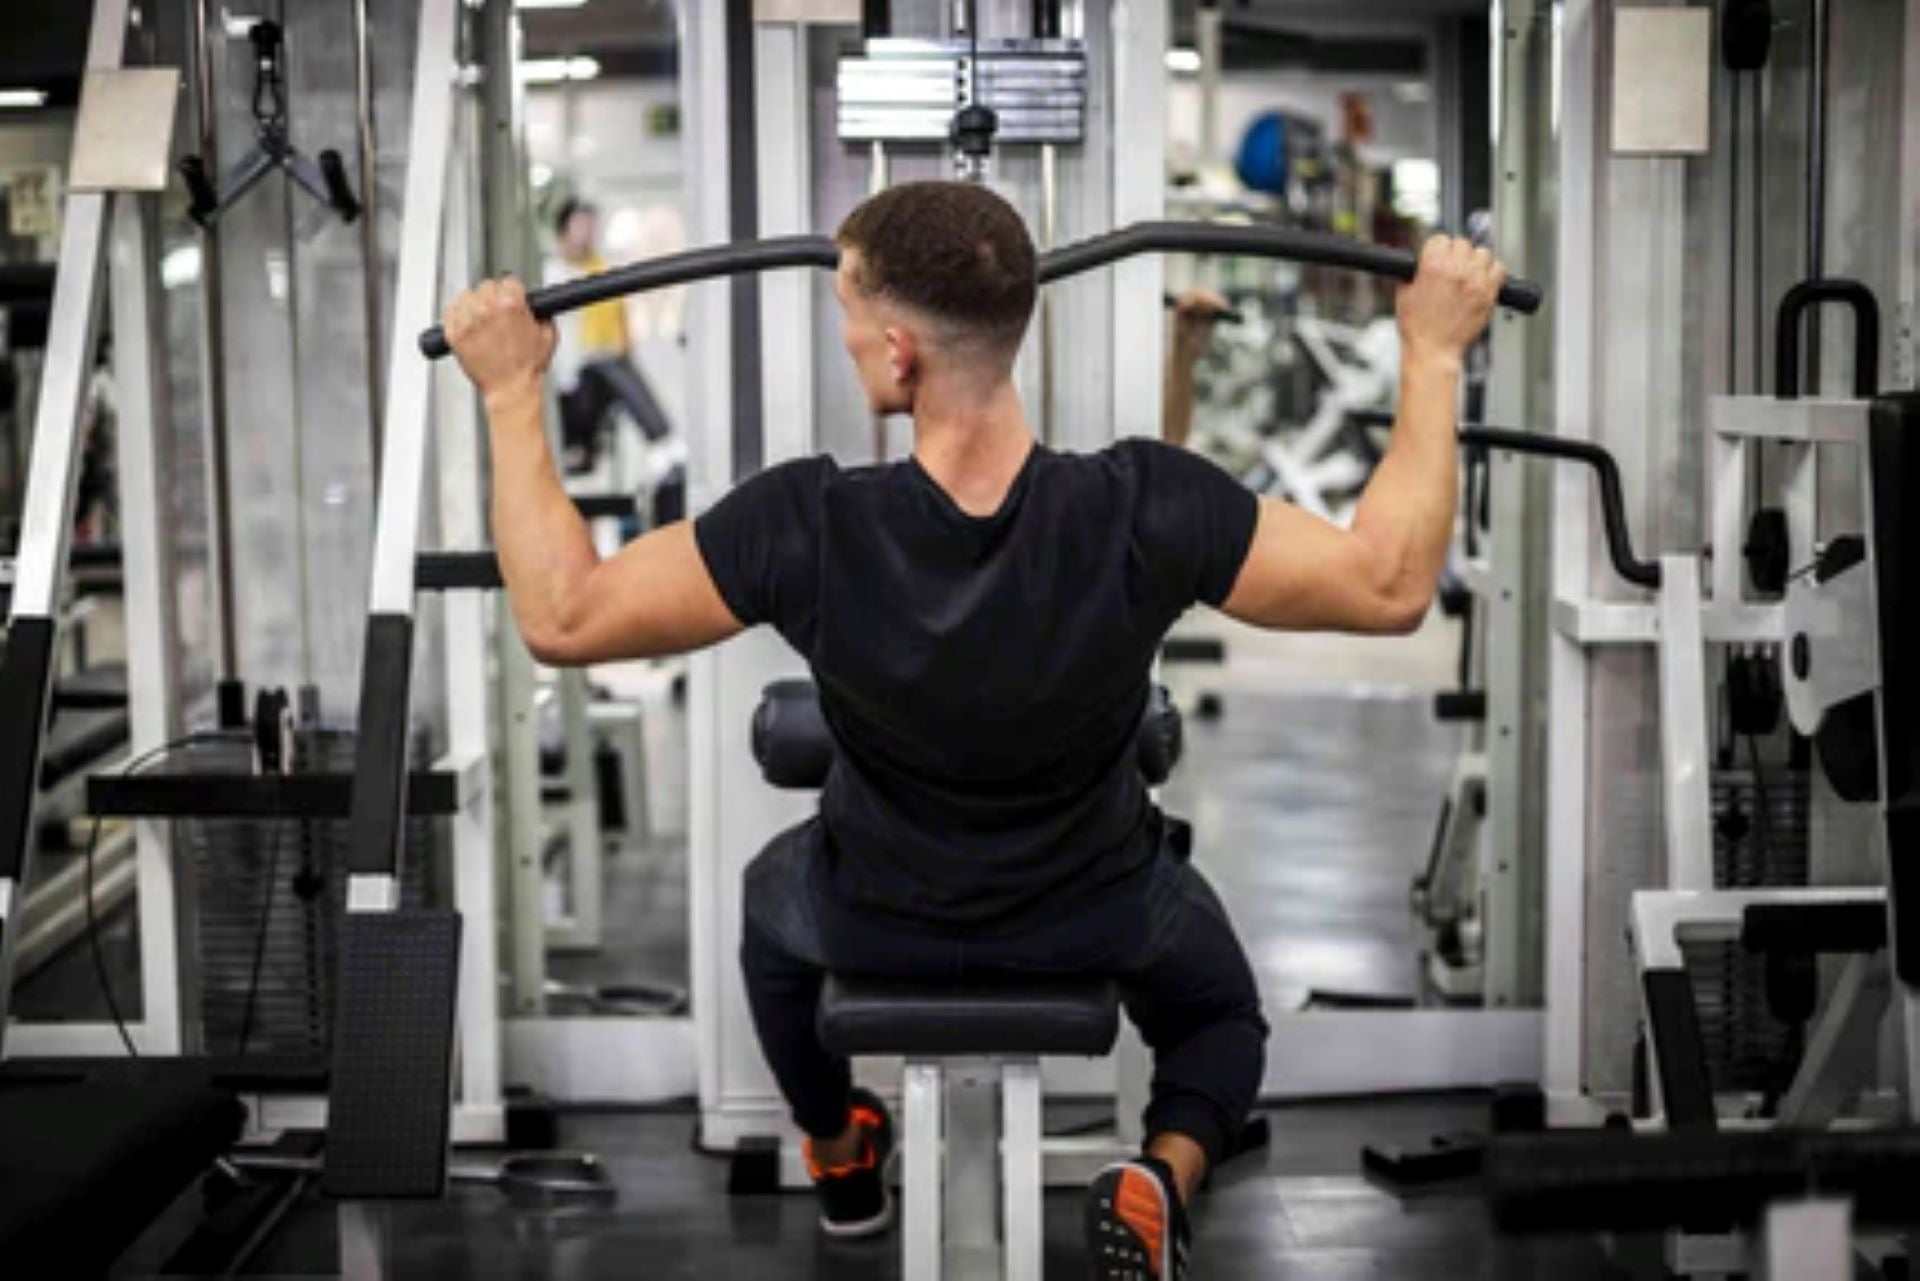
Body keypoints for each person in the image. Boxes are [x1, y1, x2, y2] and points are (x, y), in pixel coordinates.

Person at [440, 180, 1505, 1281]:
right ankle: (1164, 1171)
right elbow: (1388, 586)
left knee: (771, 912)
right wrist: (1430, 355)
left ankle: (841, 1147)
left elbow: (562, 618)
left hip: (874, 914)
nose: (847, 338)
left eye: (852, 317)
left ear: (900, 355)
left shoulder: (806, 523)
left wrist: (515, 392)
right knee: (1220, 1015)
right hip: (1095, 912)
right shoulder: (1144, 504)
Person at [544, 197, 673, 472]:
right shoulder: (551, 274)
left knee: (612, 366)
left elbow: (620, 318)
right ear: (563, 230)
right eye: (581, 226)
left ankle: (661, 442)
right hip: (568, 377)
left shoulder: (600, 269)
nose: (588, 234)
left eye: (591, 227)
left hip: (600, 367)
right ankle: (661, 438)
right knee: (608, 367)